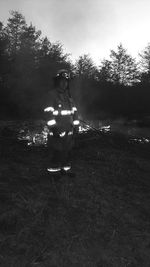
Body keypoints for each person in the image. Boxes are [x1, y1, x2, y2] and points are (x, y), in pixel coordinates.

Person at [44, 69, 79, 176]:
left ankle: (66, 170)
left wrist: (76, 127)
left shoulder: (69, 97)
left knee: (67, 152)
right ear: (57, 82)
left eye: (66, 81)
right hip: (57, 131)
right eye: (62, 81)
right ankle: (54, 173)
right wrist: (53, 128)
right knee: (56, 152)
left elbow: (74, 112)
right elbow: (48, 113)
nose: (64, 83)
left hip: (69, 130)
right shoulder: (51, 95)